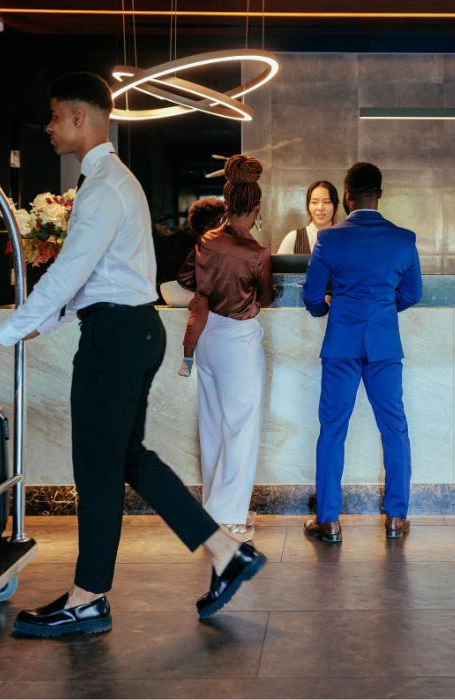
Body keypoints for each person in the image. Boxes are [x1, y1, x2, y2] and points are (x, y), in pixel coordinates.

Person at [0, 72, 267, 633]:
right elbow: (94, 280)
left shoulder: (104, 185)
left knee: (97, 465)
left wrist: (6, 332)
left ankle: (88, 598)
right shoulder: (113, 181)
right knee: (124, 457)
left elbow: (70, 273)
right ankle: (224, 552)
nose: (50, 126)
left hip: (116, 338)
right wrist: (41, 324)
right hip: (129, 330)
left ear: (80, 117)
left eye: (56, 115)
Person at [301, 162, 422, 543]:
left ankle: (329, 521)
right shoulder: (404, 239)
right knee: (395, 428)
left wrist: (329, 310)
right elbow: (412, 294)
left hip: (341, 345)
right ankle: (396, 517)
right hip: (385, 345)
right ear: (380, 194)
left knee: (333, 430)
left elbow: (310, 296)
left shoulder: (329, 239)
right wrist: (384, 311)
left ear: (346, 194)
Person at [177, 154, 273, 542]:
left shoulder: (205, 240)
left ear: (228, 203)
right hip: (237, 340)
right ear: (257, 208)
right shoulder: (258, 252)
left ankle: (215, 510)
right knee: (241, 428)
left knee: (213, 426)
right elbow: (263, 296)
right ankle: (229, 517)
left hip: (207, 339)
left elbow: (185, 278)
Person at [178, 197, 225, 378]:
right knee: (195, 322)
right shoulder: (205, 243)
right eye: (223, 221)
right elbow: (183, 277)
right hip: (207, 297)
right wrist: (202, 288)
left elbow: (183, 277)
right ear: (208, 227)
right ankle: (187, 359)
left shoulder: (220, 243)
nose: (226, 224)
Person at [277, 181, 339, 255]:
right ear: (308, 206)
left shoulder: (344, 238)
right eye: (314, 202)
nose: (320, 208)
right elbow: (280, 266)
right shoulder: (293, 239)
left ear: (336, 206)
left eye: (326, 202)